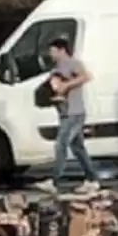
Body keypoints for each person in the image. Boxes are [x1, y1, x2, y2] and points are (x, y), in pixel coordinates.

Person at [33, 37, 99, 194]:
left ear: (62, 50)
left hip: (74, 113)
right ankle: (92, 180)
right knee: (78, 148)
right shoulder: (58, 67)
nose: (51, 54)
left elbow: (86, 77)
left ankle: (54, 181)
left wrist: (65, 85)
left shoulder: (73, 63)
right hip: (66, 112)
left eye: (53, 51)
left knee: (61, 145)